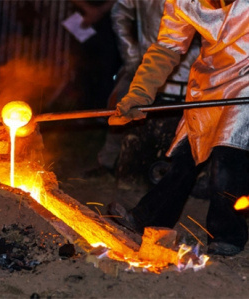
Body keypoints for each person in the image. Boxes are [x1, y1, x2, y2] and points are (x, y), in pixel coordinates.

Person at [107, 0, 249, 256]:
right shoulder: (182, 1)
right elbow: (166, 47)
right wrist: (140, 92)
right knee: (186, 156)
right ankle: (148, 219)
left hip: (247, 85)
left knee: (228, 159)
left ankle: (227, 233)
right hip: (209, 82)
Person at [86, 0, 199, 178]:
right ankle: (108, 161)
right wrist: (131, 55)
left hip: (191, 71)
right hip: (148, 64)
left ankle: (199, 173)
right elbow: (120, 12)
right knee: (121, 105)